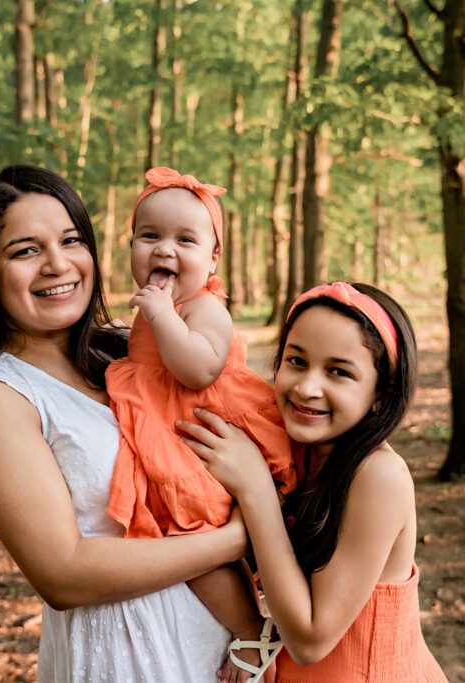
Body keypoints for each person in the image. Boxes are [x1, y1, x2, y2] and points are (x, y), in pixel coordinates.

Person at [0, 165, 250, 682]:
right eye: (25, 250)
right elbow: (64, 574)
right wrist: (237, 538)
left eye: (71, 240)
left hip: (222, 651)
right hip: (126, 658)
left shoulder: (132, 350)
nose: (58, 265)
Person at [179, 281, 448, 682]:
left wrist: (255, 490)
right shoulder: (287, 452)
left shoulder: (378, 476)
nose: (307, 388)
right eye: (297, 362)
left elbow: (311, 640)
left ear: (382, 393)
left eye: (338, 372)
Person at [104, 167, 296, 682]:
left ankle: (255, 632)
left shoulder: (205, 306)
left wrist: (164, 317)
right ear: (130, 247)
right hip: (164, 428)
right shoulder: (157, 307)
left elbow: (199, 368)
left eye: (185, 240)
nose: (165, 251)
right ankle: (253, 619)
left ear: (212, 258)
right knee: (179, 539)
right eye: (150, 236)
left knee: (194, 535)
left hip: (196, 436)